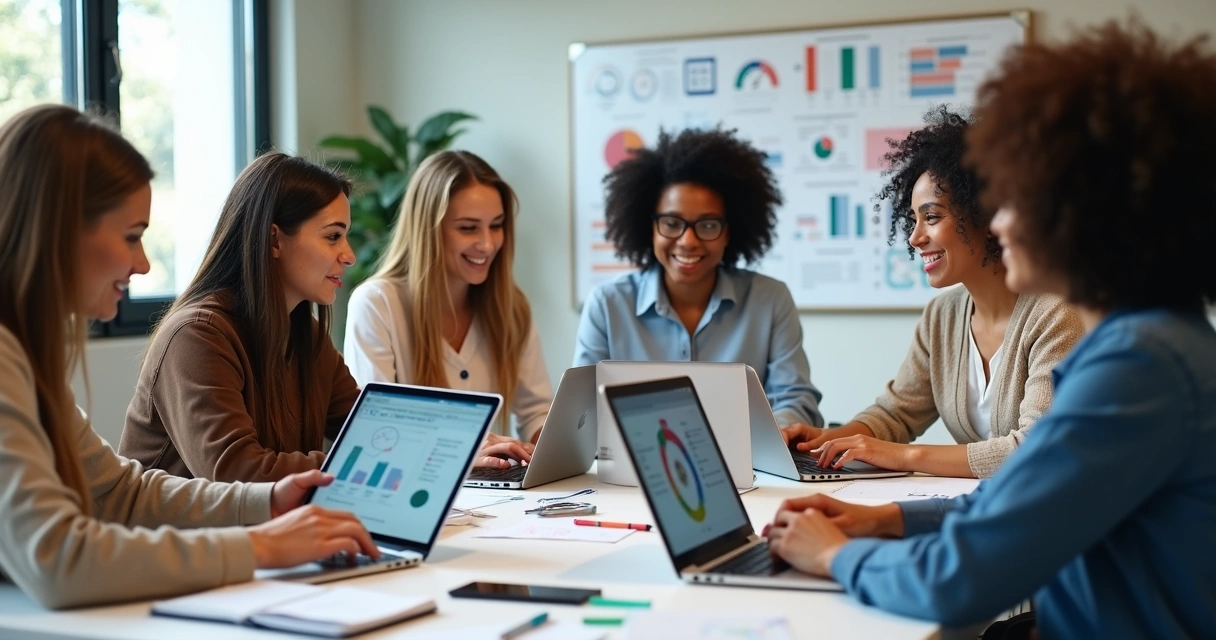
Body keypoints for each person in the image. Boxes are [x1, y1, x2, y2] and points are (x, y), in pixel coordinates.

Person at [764, 21, 1216, 639]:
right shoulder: (1155, 342)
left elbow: (960, 580)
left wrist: (836, 556)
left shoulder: (1138, 366)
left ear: (1085, 210)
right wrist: (884, 519)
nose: (998, 222)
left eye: (1016, 198)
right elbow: (1031, 496)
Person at [0, 105, 378, 610]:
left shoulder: (24, 356)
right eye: (131, 236)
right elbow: (58, 561)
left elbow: (117, 494)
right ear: (57, 229)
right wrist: (259, 546)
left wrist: (268, 501)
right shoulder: (195, 332)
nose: (143, 264)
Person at [120, 153, 527, 480]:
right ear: (274, 239)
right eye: (333, 236)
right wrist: (415, 457)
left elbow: (370, 427)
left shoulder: (304, 334)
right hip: (177, 552)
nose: (349, 255)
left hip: (258, 543)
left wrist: (459, 447)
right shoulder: (197, 335)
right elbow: (236, 471)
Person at [782, 108, 1082, 478]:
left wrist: (903, 456)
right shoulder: (943, 315)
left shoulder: (1057, 314)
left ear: (987, 215)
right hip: (983, 503)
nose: (915, 237)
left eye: (933, 217)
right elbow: (895, 414)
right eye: (913, 220)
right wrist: (824, 439)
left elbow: (1036, 449)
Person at [573, 127, 823, 428]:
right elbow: (583, 410)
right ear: (650, 228)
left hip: (749, 457)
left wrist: (779, 433)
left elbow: (795, 398)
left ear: (729, 232)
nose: (688, 241)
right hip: (636, 456)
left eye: (707, 225)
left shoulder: (770, 300)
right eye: (671, 223)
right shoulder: (607, 305)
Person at [344, 151, 551, 451]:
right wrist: (470, 448)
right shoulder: (377, 305)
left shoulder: (511, 309)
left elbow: (535, 412)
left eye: (496, 225)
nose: (487, 244)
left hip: (491, 480)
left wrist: (556, 444)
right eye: (468, 228)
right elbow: (378, 429)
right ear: (427, 230)